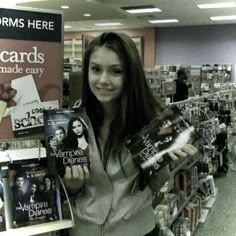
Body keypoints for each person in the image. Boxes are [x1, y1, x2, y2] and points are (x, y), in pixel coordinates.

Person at [63, 32, 197, 236]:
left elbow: (155, 186)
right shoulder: (72, 122)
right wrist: (71, 186)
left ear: (130, 75)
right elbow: (65, 190)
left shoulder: (151, 122)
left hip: (136, 230)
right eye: (96, 69)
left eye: (116, 71)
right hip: (82, 230)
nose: (103, 80)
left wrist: (160, 164)